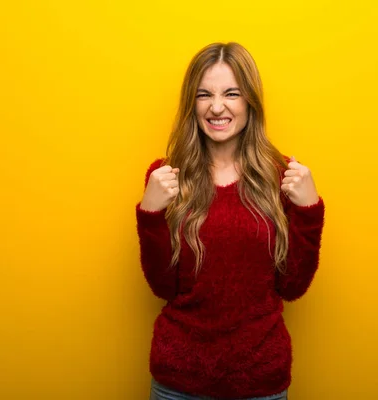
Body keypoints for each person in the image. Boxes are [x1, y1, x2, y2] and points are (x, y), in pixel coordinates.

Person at [136, 42, 325, 400]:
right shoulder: (166, 176)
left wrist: (308, 210)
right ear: (192, 104)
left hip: (260, 381)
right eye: (204, 94)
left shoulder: (282, 177)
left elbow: (293, 287)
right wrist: (150, 214)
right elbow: (162, 287)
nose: (217, 107)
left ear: (250, 101)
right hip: (178, 382)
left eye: (231, 93)